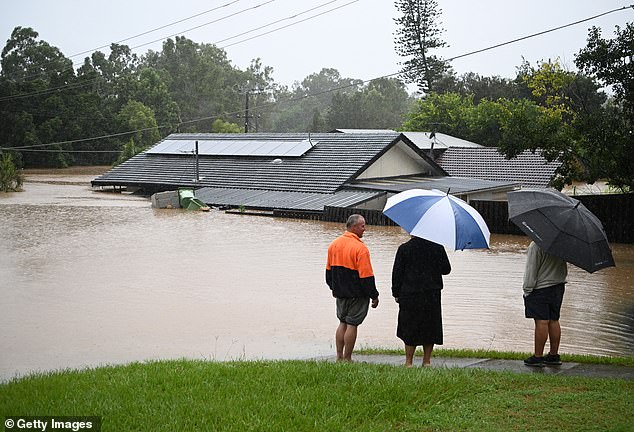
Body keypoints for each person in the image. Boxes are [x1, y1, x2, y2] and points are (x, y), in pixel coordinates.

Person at [326, 214, 379, 362]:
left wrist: (334, 289)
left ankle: (339, 357)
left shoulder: (334, 244)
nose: (365, 229)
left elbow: (328, 272)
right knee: (352, 324)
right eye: (362, 226)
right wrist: (374, 295)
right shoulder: (360, 248)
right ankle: (348, 358)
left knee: (342, 322)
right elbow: (366, 276)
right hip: (357, 294)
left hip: (340, 293)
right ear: (354, 227)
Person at [391, 236, 451, 367]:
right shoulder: (437, 248)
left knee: (409, 326)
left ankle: (408, 362)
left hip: (410, 293)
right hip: (431, 293)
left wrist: (396, 293)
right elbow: (446, 270)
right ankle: (427, 361)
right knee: (430, 326)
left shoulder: (404, 249)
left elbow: (397, 273)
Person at [522, 241, 568, 367]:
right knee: (554, 320)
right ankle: (553, 355)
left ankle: (538, 357)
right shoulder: (561, 244)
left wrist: (527, 289)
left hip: (541, 288)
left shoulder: (536, 246)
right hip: (558, 286)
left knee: (541, 322)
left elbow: (531, 269)